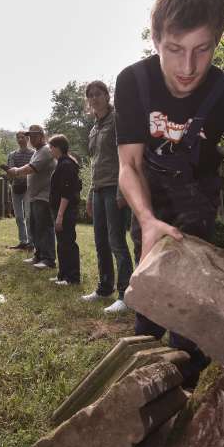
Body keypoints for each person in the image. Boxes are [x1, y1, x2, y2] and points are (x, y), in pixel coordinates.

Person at [114, 0, 224, 379]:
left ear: (217, 41)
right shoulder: (133, 82)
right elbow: (129, 166)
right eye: (174, 49)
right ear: (155, 39)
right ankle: (144, 380)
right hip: (149, 195)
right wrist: (147, 218)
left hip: (198, 197)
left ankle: (192, 381)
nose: (188, 67)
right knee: (148, 299)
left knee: (196, 312)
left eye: (202, 49)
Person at [81, 80, 133, 313]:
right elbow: (94, 163)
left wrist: (123, 190)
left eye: (98, 93)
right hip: (99, 189)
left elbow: (126, 157)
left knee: (117, 242)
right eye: (90, 95)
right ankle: (104, 288)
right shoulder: (93, 128)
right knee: (100, 240)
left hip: (115, 187)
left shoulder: (118, 120)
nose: (94, 98)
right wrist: (90, 193)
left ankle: (125, 294)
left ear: (106, 95)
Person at [7, 124, 56, 270]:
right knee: (35, 227)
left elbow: (31, 168)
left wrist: (15, 171)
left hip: (44, 195)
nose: (31, 139)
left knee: (44, 228)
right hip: (35, 196)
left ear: (42, 136)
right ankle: (38, 255)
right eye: (30, 136)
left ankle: (48, 259)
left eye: (34, 136)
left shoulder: (46, 150)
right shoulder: (37, 151)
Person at [48, 134, 82, 285]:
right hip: (61, 210)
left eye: (51, 148)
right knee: (62, 243)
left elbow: (66, 193)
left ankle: (72, 277)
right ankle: (62, 274)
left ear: (57, 148)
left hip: (66, 210)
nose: (50, 151)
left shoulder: (66, 165)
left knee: (68, 243)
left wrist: (60, 215)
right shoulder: (62, 163)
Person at [7, 131, 35, 250]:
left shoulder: (34, 153)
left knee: (29, 216)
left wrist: (19, 173)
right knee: (19, 217)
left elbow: (33, 170)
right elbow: (10, 173)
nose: (20, 139)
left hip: (29, 188)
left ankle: (31, 242)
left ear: (27, 139)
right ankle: (23, 241)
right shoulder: (12, 155)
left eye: (22, 137)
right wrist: (13, 174)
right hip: (15, 188)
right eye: (18, 137)